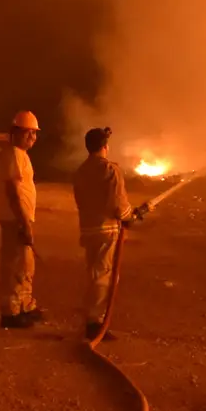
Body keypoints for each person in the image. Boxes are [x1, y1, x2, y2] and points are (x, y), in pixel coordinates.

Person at [73, 126, 133, 341]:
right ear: (105, 147)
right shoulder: (110, 170)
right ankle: (95, 323)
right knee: (103, 277)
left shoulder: (81, 171)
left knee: (94, 274)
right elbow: (118, 204)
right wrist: (129, 216)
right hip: (106, 230)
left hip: (88, 229)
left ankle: (93, 319)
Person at [0, 110, 42, 329]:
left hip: (19, 218)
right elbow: (13, 192)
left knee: (25, 265)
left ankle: (25, 306)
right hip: (15, 219)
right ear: (15, 133)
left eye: (34, 133)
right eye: (27, 132)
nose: (32, 137)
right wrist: (23, 222)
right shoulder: (13, 154)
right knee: (16, 266)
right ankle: (11, 313)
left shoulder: (20, 155)